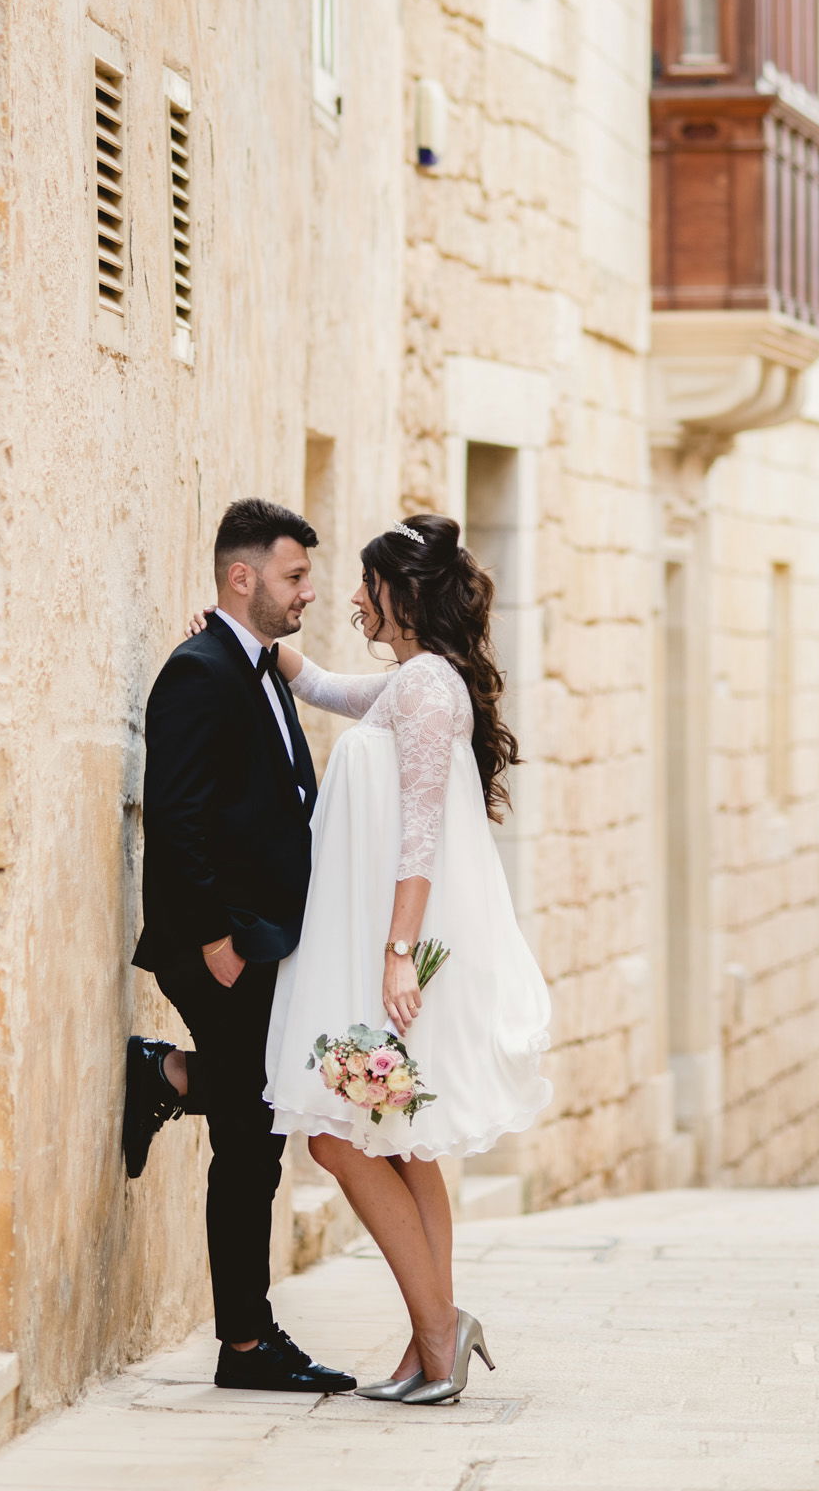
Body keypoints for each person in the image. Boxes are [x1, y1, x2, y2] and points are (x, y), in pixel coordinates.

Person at [261, 514, 551, 1404]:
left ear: (403, 594)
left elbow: (418, 836)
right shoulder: (420, 681)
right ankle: (436, 1340)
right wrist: (262, 649)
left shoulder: (428, 688)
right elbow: (341, 693)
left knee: (338, 1137)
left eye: (365, 583)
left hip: (399, 962)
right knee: (407, 1145)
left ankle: (437, 1331)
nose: (351, 597)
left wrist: (394, 960)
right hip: (390, 953)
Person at [122, 498, 355, 1396]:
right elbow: (175, 816)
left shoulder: (249, 663)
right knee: (252, 1141)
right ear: (241, 576)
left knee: (259, 1119)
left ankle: (169, 1076)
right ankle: (245, 1348)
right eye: (294, 577)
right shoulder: (200, 670)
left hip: (260, 938)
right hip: (215, 942)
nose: (307, 592)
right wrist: (218, 939)